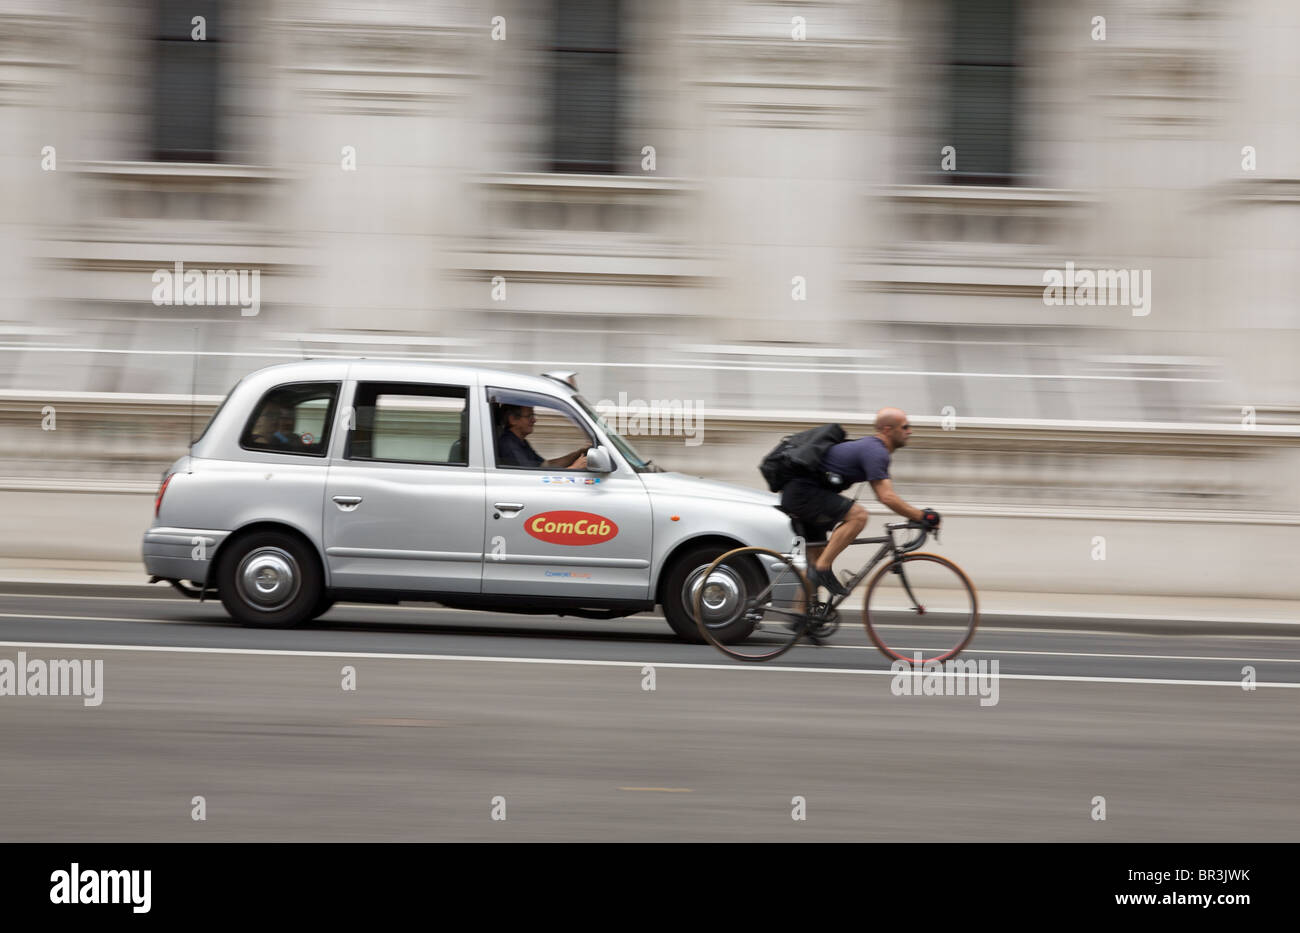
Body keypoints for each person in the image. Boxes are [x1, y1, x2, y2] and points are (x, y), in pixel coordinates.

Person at [780, 407, 939, 597]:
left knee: (814, 563)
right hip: (803, 493)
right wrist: (923, 516)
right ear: (888, 430)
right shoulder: (876, 452)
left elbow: (885, 494)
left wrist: (917, 516)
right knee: (858, 516)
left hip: (802, 493)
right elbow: (886, 497)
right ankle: (823, 569)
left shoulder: (872, 449)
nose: (910, 431)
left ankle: (801, 621)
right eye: (905, 427)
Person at [496, 404, 589, 469]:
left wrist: (578, 453)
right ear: (513, 420)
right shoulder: (509, 445)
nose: (534, 420)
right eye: (529, 416)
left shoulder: (520, 442)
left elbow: (546, 465)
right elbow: (531, 479)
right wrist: (575, 467)